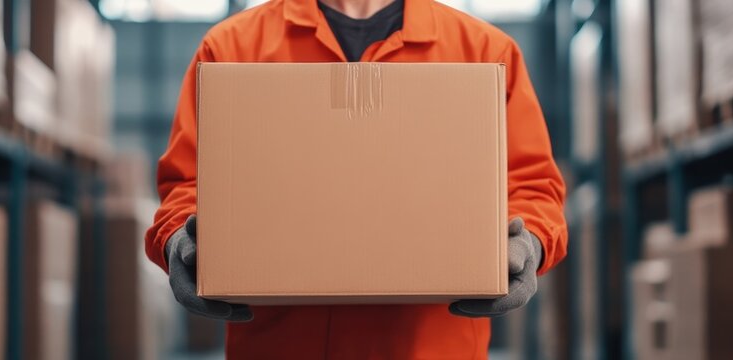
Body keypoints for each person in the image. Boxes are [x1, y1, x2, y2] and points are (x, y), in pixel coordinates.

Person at [145, 0, 568, 358]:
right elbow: (187, 186)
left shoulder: (484, 51)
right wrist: (180, 242)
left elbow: (533, 187)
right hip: (281, 346)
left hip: (432, 347)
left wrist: (527, 242)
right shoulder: (231, 49)